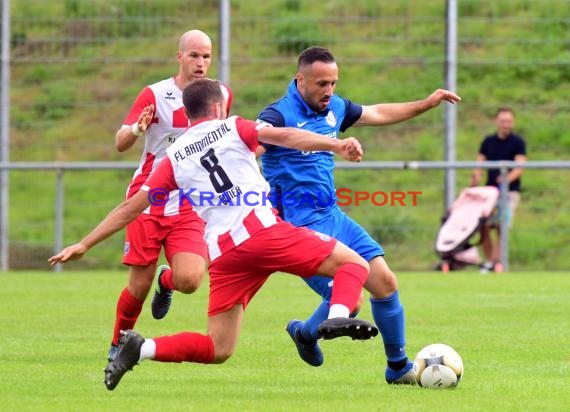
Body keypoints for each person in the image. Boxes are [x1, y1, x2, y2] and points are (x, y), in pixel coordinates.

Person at [49, 78, 387, 391]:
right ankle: (335, 318)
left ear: (188, 112)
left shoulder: (174, 158)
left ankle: (142, 348)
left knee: (218, 347)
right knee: (354, 265)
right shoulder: (233, 127)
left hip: (225, 253)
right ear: (218, 107)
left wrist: (84, 242)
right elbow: (284, 137)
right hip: (261, 232)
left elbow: (131, 208)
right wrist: (335, 144)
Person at [256, 46, 461, 384]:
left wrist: (427, 103)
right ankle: (306, 335)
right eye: (322, 83)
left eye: (334, 83)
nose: (330, 91)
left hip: (331, 214)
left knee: (385, 283)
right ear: (300, 80)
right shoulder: (277, 115)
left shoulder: (334, 108)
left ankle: (398, 368)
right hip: (296, 227)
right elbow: (251, 146)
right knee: (347, 302)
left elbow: (377, 113)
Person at [108, 29, 233, 364]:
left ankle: (168, 281)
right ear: (180, 56)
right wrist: (137, 129)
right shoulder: (154, 94)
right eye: (194, 56)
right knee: (138, 286)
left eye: (206, 56)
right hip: (150, 198)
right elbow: (120, 142)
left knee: (191, 280)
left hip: (189, 202)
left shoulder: (220, 95)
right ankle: (119, 345)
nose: (201, 62)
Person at [470, 107, 527, 273]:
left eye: (508, 121)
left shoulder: (518, 142)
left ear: (513, 122)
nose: (505, 125)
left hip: (509, 192)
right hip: (490, 192)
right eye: (503, 121)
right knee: (485, 226)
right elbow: (479, 163)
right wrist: (476, 176)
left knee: (502, 225)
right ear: (497, 122)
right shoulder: (488, 141)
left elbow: (519, 166)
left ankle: (495, 263)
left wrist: (506, 179)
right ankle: (490, 261)